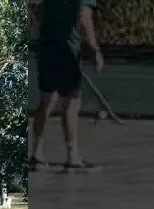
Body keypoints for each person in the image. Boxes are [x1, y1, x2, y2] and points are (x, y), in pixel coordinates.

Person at [32, 0, 103, 171]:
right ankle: (73, 156)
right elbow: (84, 16)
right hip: (66, 50)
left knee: (47, 100)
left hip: (47, 46)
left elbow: (39, 9)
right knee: (72, 100)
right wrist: (94, 49)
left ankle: (37, 154)